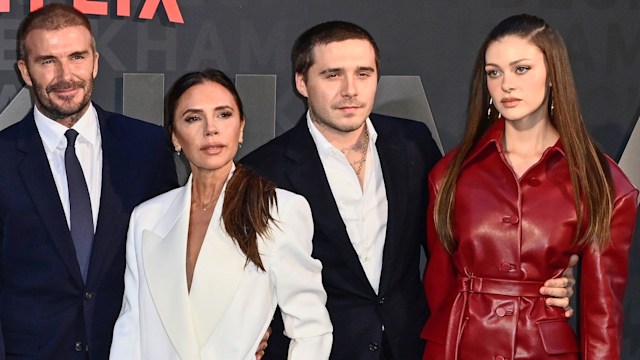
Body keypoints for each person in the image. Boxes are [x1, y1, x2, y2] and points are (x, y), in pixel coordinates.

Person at [241, 21, 577, 359]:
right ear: (302, 82)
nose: (350, 90)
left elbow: (456, 243)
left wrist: (545, 280)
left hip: (409, 345)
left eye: (363, 74)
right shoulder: (263, 171)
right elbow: (244, 275)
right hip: (319, 350)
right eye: (332, 75)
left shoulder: (412, 143)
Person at [421, 14, 638, 359]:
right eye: (494, 72)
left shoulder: (602, 182)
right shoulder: (450, 174)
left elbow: (602, 316)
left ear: (553, 74)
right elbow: (438, 286)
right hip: (458, 347)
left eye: (521, 69)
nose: (506, 84)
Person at [109, 69, 333, 359]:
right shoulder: (147, 218)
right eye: (193, 118)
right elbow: (132, 326)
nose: (210, 129)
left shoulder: (278, 210)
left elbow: (311, 327)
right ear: (175, 137)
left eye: (223, 115)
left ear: (241, 128)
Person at [0, 4, 178, 359]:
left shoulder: (147, 147)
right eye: (48, 61)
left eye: (77, 57)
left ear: (95, 61)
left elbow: (172, 261)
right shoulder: (3, 158)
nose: (66, 75)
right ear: (25, 70)